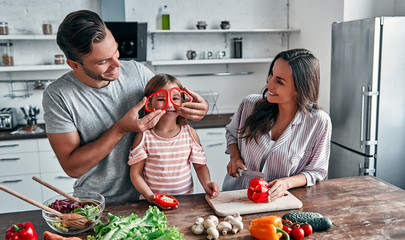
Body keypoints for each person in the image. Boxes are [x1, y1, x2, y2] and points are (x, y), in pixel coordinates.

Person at [42, 10, 208, 203]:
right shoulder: (59, 95)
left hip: (149, 200)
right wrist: (120, 129)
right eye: (103, 61)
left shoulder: (138, 72)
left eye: (115, 51)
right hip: (99, 203)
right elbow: (72, 168)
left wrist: (195, 108)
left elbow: (168, 104)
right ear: (75, 65)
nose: (117, 65)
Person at [223, 48, 332, 201]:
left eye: (279, 81)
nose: (269, 85)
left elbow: (316, 171)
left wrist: (286, 183)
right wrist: (234, 156)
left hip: (281, 200)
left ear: (301, 89)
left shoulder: (319, 122)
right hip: (236, 195)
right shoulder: (249, 105)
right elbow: (231, 134)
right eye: (271, 75)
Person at [128, 74, 219, 208]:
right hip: (152, 205)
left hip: (185, 203)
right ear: (149, 103)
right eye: (161, 99)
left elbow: (199, 166)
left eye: (175, 98)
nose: (169, 104)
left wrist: (207, 184)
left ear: (183, 102)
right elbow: (135, 174)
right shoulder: (144, 136)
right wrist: (150, 197)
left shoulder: (189, 134)